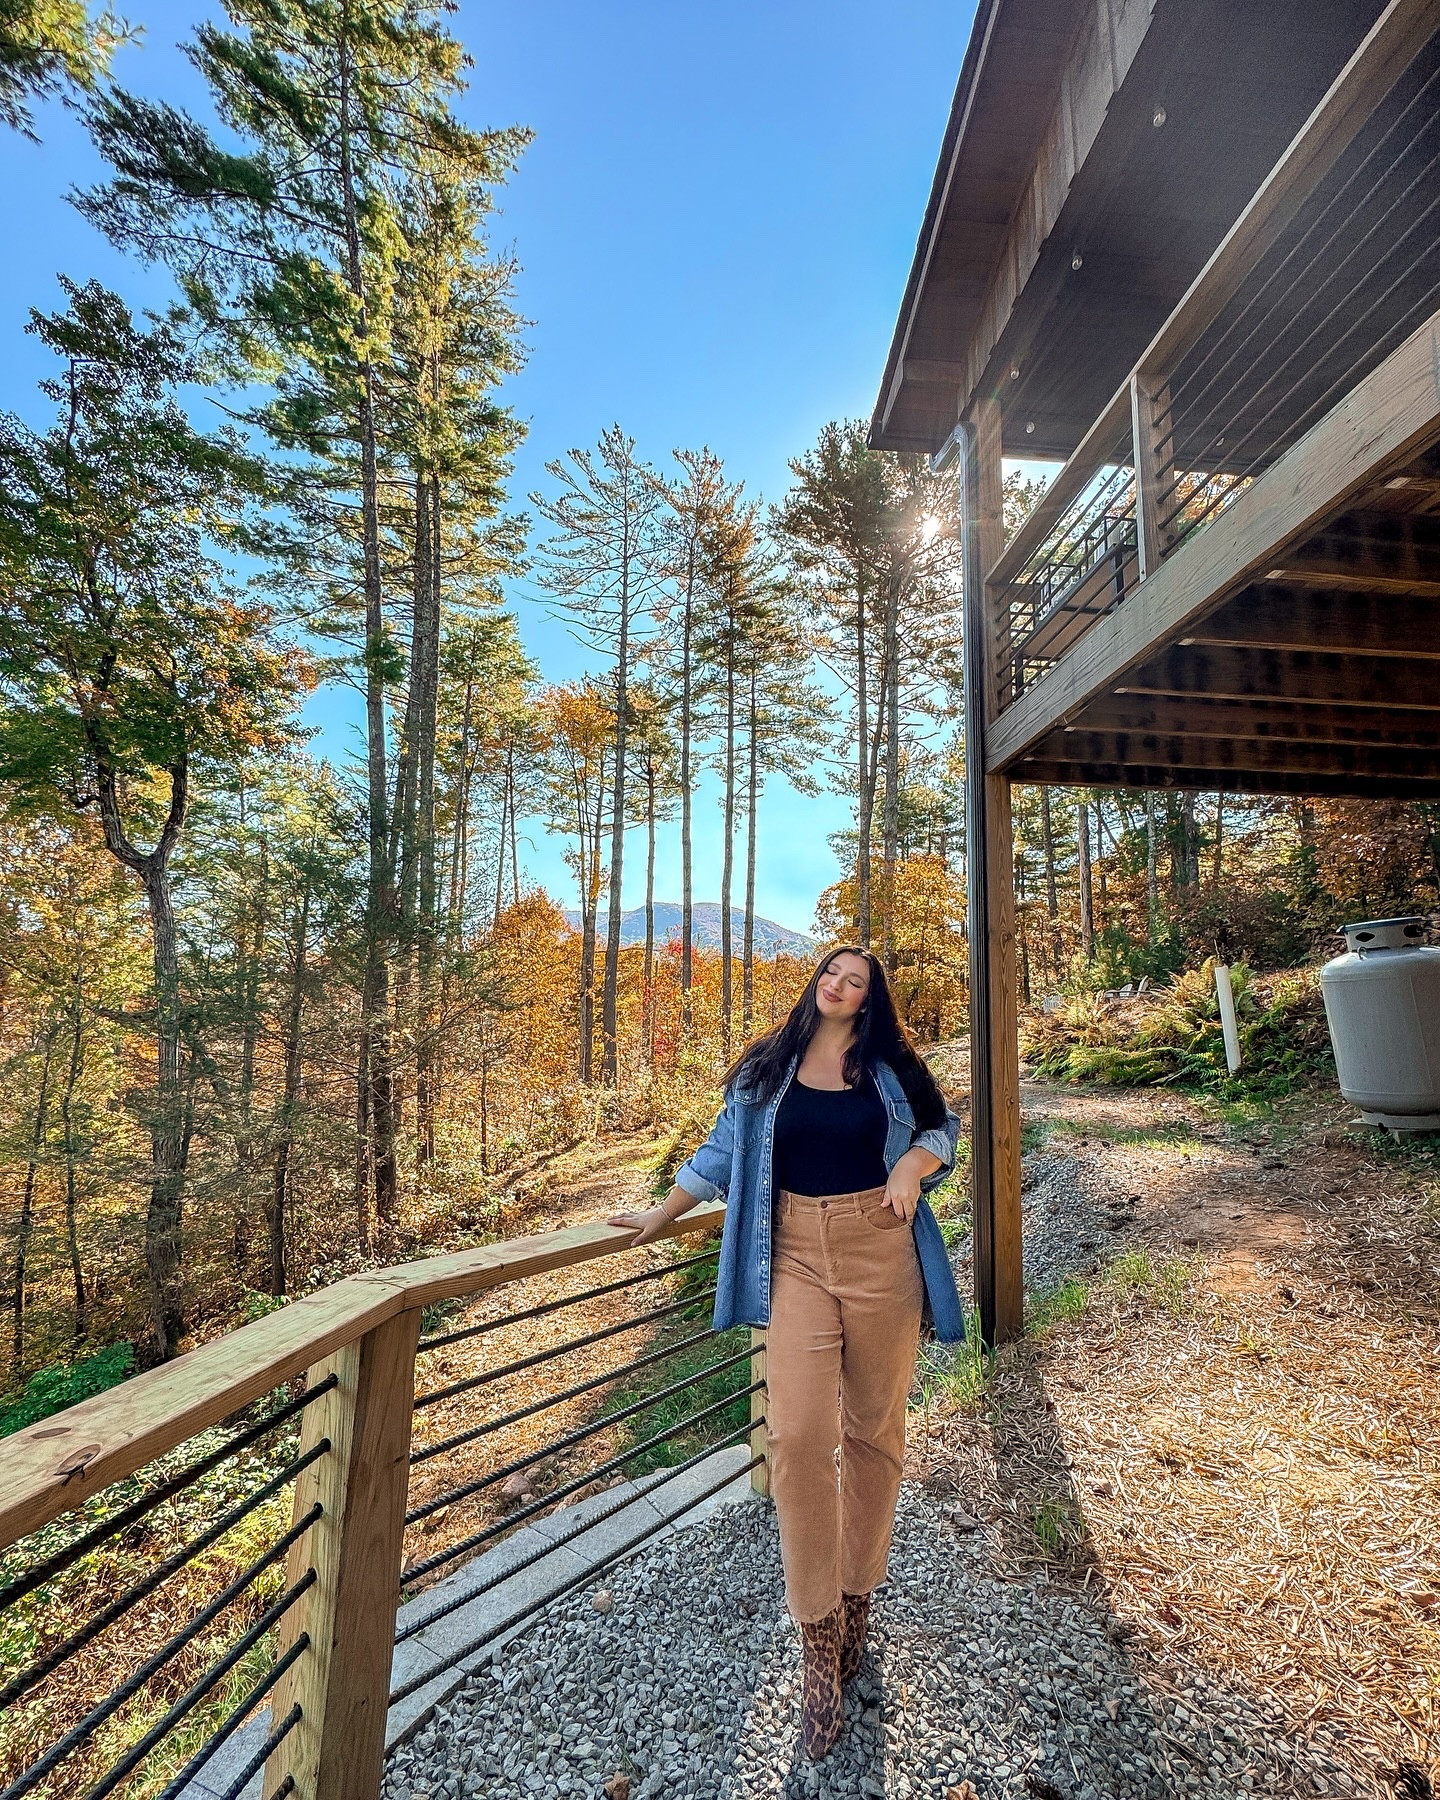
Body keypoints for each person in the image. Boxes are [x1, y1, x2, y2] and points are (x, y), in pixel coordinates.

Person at [608, 945, 964, 1761]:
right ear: (816, 984)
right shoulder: (768, 1064)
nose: (838, 986)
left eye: (856, 981)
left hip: (882, 1250)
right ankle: (816, 1636)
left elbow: (942, 1130)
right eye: (830, 974)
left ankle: (856, 1599)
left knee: (874, 1434)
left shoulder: (891, 1064)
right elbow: (721, 1153)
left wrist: (913, 1161)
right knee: (800, 1436)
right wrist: (658, 1219)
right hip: (795, 1249)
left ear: (872, 1000)